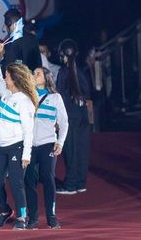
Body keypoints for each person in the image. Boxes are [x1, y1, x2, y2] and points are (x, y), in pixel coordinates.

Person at [0, 43, 38, 230]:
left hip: (17, 146)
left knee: (17, 183)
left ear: (15, 79)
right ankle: (4, 210)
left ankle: (22, 218)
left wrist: (27, 154)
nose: (4, 78)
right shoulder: (6, 93)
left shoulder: (25, 102)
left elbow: (29, 130)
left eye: (7, 76)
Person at [25, 66, 68, 230]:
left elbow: (64, 122)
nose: (34, 75)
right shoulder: (27, 95)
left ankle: (51, 216)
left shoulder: (55, 98)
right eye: (33, 73)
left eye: (37, 73)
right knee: (29, 180)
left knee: (49, 179)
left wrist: (60, 142)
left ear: (46, 77)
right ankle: (33, 218)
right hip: (29, 145)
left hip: (47, 143)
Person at [56, 39, 91, 195]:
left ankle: (70, 185)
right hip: (82, 115)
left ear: (63, 55)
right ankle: (80, 182)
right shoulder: (81, 70)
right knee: (81, 149)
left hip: (69, 116)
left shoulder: (64, 72)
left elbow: (60, 96)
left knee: (70, 150)